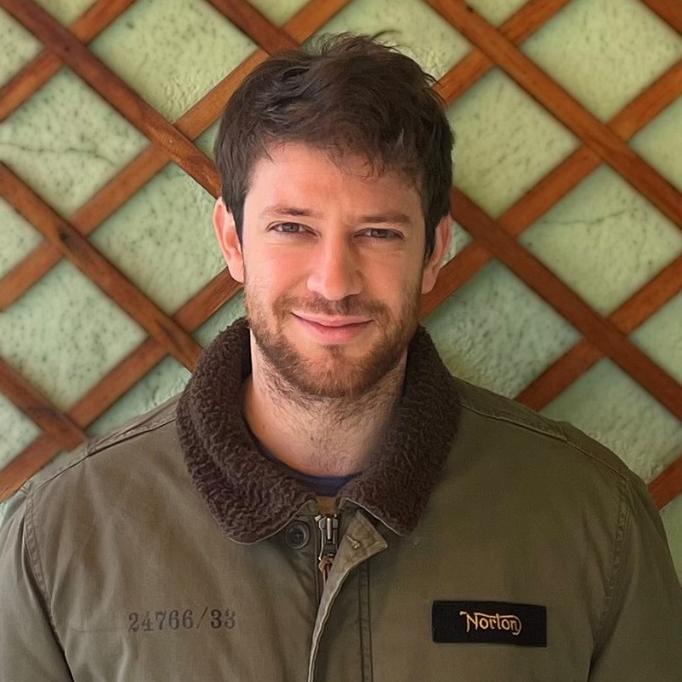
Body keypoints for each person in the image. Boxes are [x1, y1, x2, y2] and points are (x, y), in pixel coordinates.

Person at [1, 34, 680, 681]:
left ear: (434, 250)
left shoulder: (594, 518)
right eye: (291, 228)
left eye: (378, 233)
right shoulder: (58, 537)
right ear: (232, 239)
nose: (334, 282)